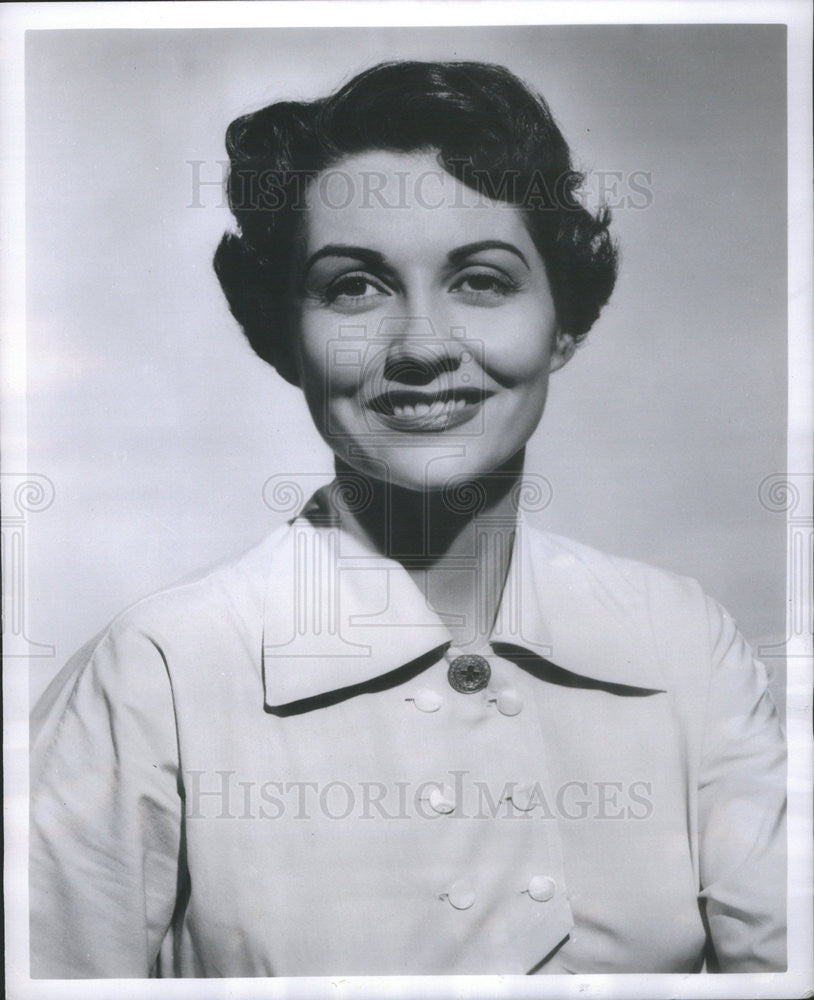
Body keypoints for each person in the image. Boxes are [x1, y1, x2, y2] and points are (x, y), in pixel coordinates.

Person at [30, 60, 786, 977]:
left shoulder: (683, 643)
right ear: (281, 336)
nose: (423, 345)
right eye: (355, 287)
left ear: (565, 321)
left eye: (482, 280)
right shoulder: (159, 673)